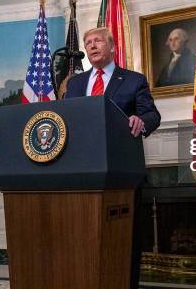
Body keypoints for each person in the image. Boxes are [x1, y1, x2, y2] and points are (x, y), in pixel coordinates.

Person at [65, 27, 160, 288]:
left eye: (97, 40)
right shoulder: (74, 83)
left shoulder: (133, 80)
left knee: (122, 237)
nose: (92, 45)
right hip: (80, 170)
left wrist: (141, 120)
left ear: (112, 47)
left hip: (120, 171)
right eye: (87, 42)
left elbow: (152, 115)